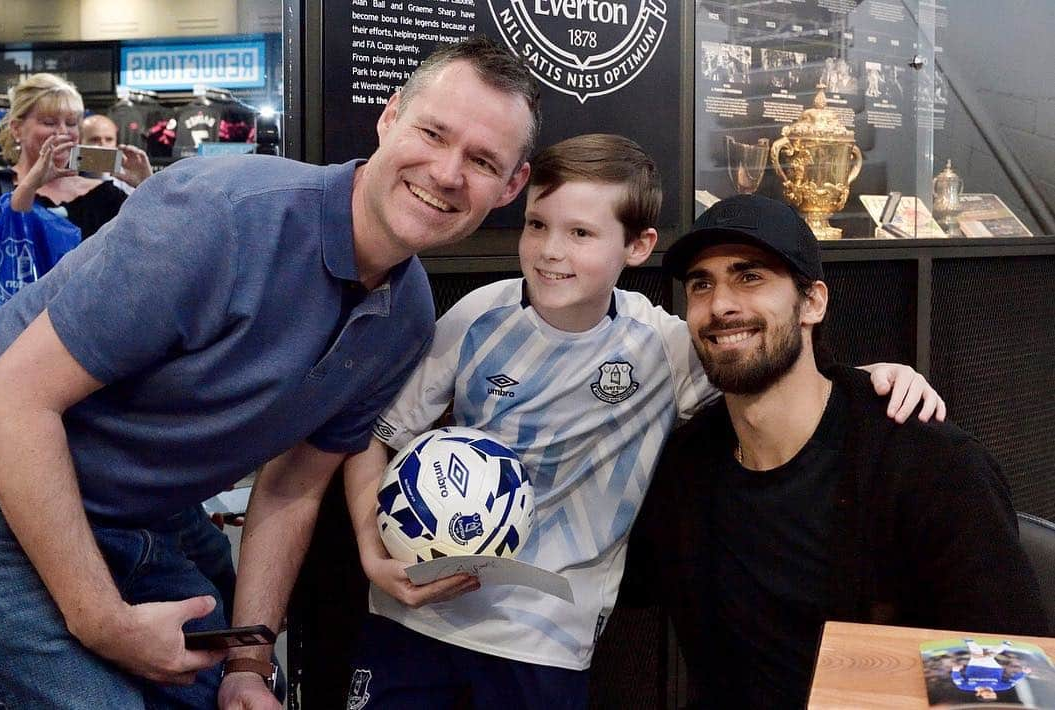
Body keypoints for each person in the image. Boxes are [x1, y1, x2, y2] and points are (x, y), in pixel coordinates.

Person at [0, 36, 539, 710]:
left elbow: (293, 489)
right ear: (390, 116)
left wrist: (250, 666)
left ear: (512, 185)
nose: (448, 173)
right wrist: (101, 620)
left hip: (141, 512)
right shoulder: (220, 216)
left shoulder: (408, 315)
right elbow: (11, 400)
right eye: (432, 132)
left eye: (482, 160)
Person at [342, 135, 946, 709]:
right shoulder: (478, 317)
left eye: (581, 232)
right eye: (537, 225)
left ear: (636, 246)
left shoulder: (665, 346)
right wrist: (373, 552)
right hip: (413, 609)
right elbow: (374, 436)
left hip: (545, 641)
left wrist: (874, 375)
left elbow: (771, 364)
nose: (552, 250)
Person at [625, 193, 1047, 709]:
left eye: (750, 276)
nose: (721, 305)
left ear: (813, 303)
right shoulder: (689, 464)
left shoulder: (926, 464)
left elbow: (1013, 681)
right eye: (701, 284)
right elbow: (620, 581)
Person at [0, 74, 152, 239]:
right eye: (49, 122)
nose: (63, 132)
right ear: (17, 129)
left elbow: (154, 245)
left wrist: (150, 189)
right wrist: (29, 186)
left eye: (71, 123)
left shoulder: (105, 197)